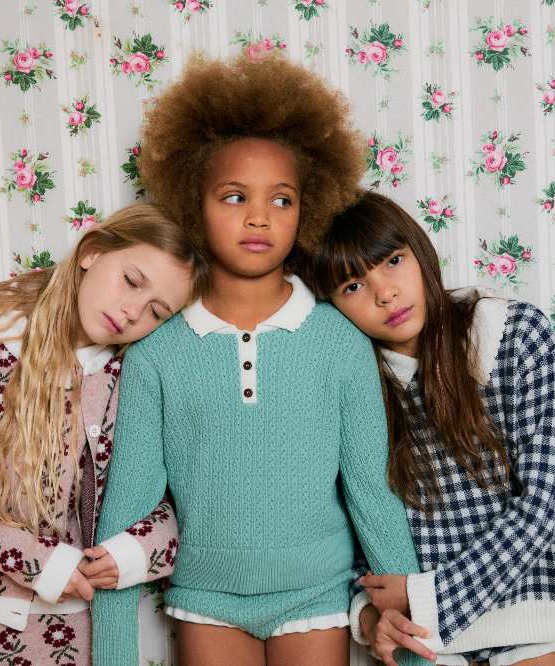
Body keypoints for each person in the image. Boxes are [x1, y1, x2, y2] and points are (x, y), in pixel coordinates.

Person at [90, 55, 431, 666]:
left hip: (318, 595)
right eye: (234, 196)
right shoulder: (157, 354)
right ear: (195, 205)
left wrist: (409, 644)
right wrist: (113, 654)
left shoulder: (339, 341)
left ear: (307, 211)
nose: (258, 216)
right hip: (205, 597)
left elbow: (371, 494)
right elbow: (129, 509)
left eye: (281, 199)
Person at [0, 204, 204, 665]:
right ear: (92, 253)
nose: (133, 312)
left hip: (99, 627)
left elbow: (191, 499)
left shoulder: (139, 371)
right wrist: (39, 562)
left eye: (157, 311)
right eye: (132, 281)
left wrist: (137, 552)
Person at [304, 191, 555, 666]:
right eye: (352, 287)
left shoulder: (512, 334)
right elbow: (338, 525)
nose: (384, 293)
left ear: (420, 250)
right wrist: (370, 616)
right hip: (419, 648)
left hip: (523, 627)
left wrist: (428, 597)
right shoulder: (353, 386)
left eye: (392, 260)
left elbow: (546, 503)